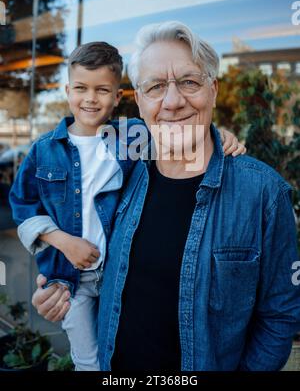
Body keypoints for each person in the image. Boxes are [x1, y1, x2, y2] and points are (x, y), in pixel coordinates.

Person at [10, 38, 244, 372]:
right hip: (67, 278)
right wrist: (64, 242)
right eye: (81, 88)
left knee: (118, 351)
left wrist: (220, 137)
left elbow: (180, 128)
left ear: (119, 97)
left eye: (102, 90)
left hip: (117, 274)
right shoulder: (44, 150)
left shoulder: (130, 137)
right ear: (67, 90)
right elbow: (22, 206)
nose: (90, 99)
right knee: (88, 361)